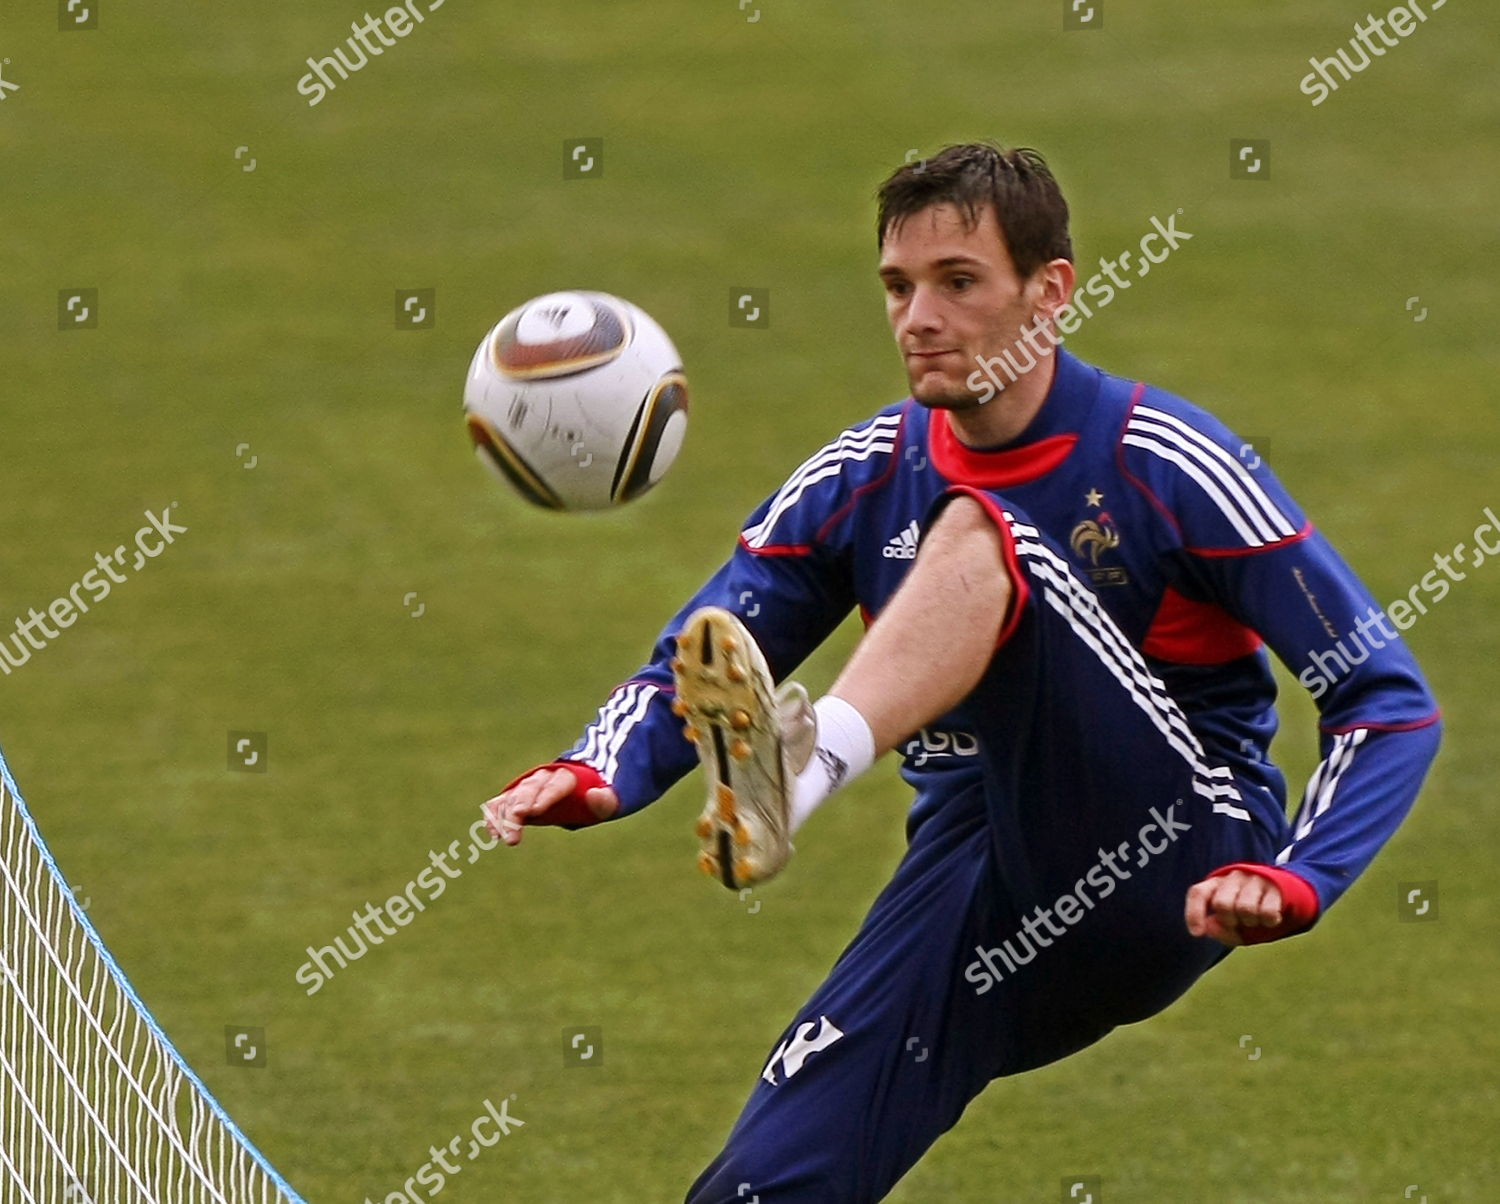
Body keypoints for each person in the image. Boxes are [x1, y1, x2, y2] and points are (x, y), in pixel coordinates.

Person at [481, 143, 1441, 1203]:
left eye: (958, 283)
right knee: (756, 1189)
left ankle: (800, 773)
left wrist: (1299, 874)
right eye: (898, 286)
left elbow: (1385, 701)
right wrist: (597, 768)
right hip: (974, 893)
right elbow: (708, 645)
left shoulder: (1166, 461)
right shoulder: (863, 473)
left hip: (1168, 859)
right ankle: (786, 776)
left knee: (995, 535)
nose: (917, 318)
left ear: (1052, 292)